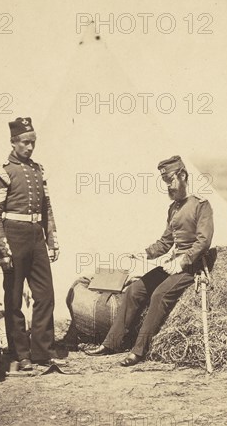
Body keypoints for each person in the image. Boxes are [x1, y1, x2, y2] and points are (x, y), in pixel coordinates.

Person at [87, 155, 214, 366]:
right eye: (165, 182)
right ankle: (111, 343)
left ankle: (139, 350)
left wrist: (182, 261)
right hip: (172, 264)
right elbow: (165, 242)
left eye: (171, 181)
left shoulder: (202, 205)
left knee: (159, 295)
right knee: (135, 290)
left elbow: (203, 242)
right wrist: (144, 253)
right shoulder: (173, 208)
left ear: (183, 175)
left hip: (192, 266)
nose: (168, 187)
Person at [0, 117, 59, 371]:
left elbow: (47, 209)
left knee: (45, 294)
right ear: (13, 142)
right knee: (14, 299)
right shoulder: (2, 172)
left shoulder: (39, 170)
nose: (30, 148)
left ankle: (42, 351)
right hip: (13, 237)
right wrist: (2, 250)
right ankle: (21, 353)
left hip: (36, 237)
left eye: (33, 143)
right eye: (25, 143)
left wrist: (52, 239)